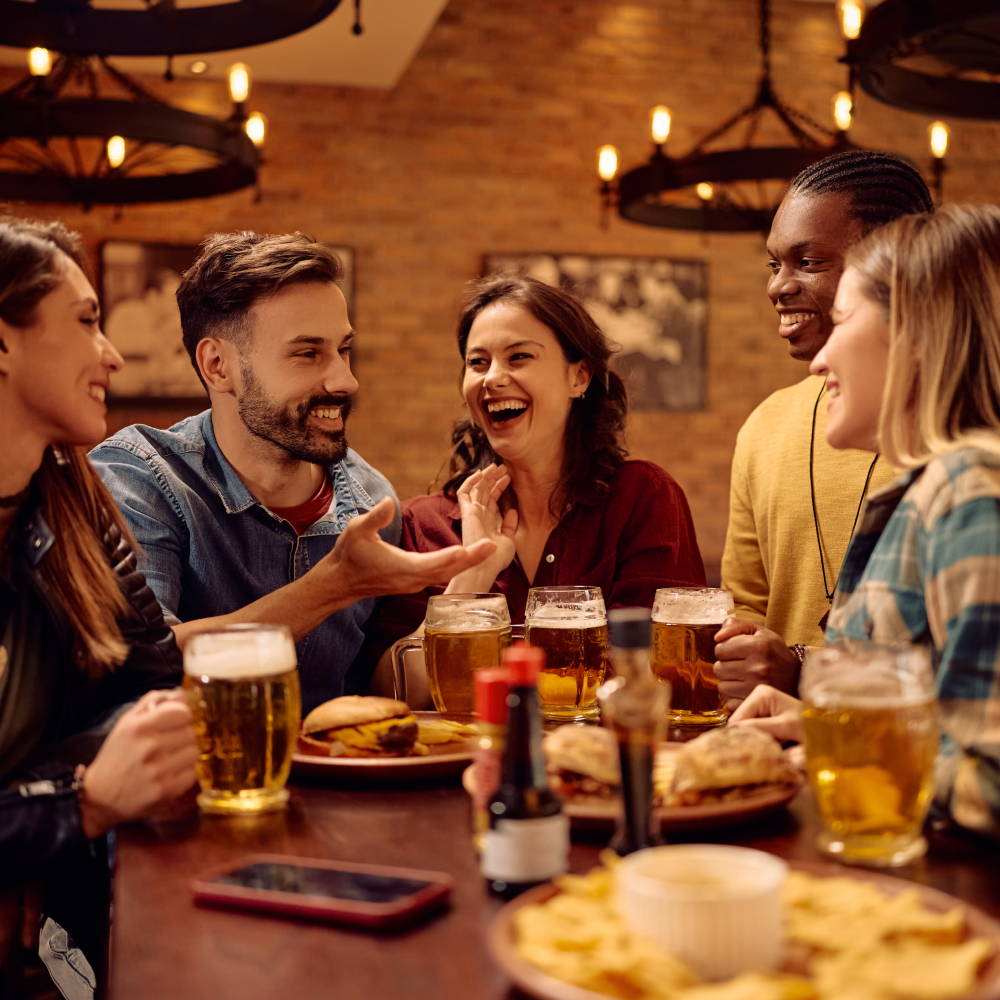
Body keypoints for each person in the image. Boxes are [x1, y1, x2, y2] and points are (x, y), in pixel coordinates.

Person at [90, 232, 494, 715]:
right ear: (218, 366)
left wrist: (470, 583)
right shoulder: (142, 478)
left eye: (343, 350)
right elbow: (141, 669)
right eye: (308, 353)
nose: (347, 380)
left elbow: (376, 693)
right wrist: (331, 586)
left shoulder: (369, 499)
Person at [731, 204, 1000, 840]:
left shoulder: (970, 496)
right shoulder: (932, 491)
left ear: (916, 336)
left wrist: (829, 749)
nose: (820, 360)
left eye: (844, 321)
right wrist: (819, 723)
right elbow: (936, 732)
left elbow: (990, 782)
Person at [0, 217, 199, 993]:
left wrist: (32, 840)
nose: (111, 353)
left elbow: (154, 694)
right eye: (86, 322)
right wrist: (78, 807)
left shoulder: (73, 504)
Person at [365, 274, 706, 701]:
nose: (492, 378)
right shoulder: (425, 522)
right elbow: (391, 692)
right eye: (477, 362)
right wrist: (472, 575)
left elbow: (656, 673)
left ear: (578, 377)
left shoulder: (643, 497)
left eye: (519, 356)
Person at [715, 151, 934, 711]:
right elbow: (746, 615)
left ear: (894, 262)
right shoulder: (764, 427)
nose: (778, 287)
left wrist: (807, 669)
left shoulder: (966, 439)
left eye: (807, 261)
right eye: (774, 265)